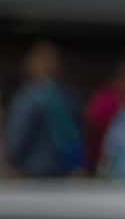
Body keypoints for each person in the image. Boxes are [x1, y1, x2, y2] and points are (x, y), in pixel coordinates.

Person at [5, 42, 85, 179]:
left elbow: (18, 138)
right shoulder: (69, 97)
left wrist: (12, 162)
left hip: (33, 172)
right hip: (65, 172)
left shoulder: (28, 98)